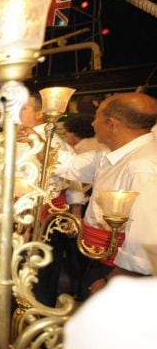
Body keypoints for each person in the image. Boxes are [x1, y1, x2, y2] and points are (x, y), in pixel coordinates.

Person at [39, 92, 157, 296]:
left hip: (121, 272)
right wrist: (35, 136)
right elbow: (69, 165)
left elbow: (146, 242)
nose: (93, 124)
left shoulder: (142, 166)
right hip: (101, 259)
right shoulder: (113, 155)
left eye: (97, 117)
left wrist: (112, 282)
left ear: (111, 124)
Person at [18, 95, 85, 307]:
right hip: (21, 210)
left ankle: (35, 317)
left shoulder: (54, 144)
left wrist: (75, 214)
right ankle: (17, 314)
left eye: (23, 107)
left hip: (46, 213)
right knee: (20, 266)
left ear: (39, 113)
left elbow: (72, 179)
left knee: (42, 268)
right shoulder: (18, 141)